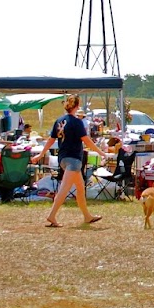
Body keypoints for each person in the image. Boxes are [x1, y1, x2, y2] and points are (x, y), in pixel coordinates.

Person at [32, 94, 109, 228]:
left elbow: (51, 140)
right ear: (77, 106)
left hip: (63, 159)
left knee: (80, 188)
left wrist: (41, 154)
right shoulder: (76, 122)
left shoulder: (59, 121)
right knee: (64, 189)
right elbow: (87, 141)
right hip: (74, 159)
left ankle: (87, 216)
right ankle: (52, 215)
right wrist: (101, 152)